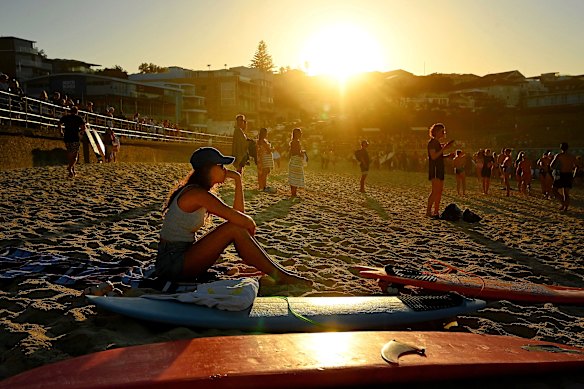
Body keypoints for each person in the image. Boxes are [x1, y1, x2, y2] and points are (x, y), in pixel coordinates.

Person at [155, 147, 311, 285]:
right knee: (234, 229)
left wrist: (237, 180)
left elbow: (238, 216)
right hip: (172, 262)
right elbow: (241, 220)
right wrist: (246, 225)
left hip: (179, 256)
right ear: (208, 169)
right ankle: (281, 275)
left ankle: (278, 273)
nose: (225, 170)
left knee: (235, 227)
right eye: (221, 166)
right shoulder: (197, 194)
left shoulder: (197, 191)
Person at [426, 123, 454, 217]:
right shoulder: (432, 142)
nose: (444, 133)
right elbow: (433, 157)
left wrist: (447, 156)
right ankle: (428, 211)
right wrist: (444, 149)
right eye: (442, 131)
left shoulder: (436, 143)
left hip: (439, 168)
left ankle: (436, 211)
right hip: (434, 169)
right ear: (437, 132)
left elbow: (438, 157)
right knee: (435, 190)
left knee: (439, 190)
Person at [58, 106, 86, 178]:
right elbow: (84, 128)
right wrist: (80, 132)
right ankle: (70, 167)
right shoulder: (78, 118)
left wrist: (61, 131)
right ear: (77, 111)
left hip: (67, 137)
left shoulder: (66, 117)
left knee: (70, 153)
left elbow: (59, 123)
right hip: (75, 138)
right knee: (75, 155)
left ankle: (72, 171)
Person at [550, 142, 577, 211]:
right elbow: (577, 166)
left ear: (560, 148)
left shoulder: (558, 155)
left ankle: (563, 202)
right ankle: (565, 207)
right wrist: (574, 175)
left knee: (554, 190)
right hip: (569, 174)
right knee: (566, 192)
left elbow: (551, 165)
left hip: (561, 174)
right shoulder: (572, 156)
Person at [288, 127, 306, 197]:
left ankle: (293, 193)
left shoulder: (292, 142)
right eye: (300, 133)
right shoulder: (297, 142)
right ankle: (294, 194)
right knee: (296, 177)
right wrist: (302, 153)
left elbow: (291, 153)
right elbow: (296, 152)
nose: (301, 134)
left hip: (293, 160)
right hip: (296, 161)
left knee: (293, 178)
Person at [256, 127, 275, 192]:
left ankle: (262, 185)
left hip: (263, 157)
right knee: (265, 172)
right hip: (265, 157)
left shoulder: (259, 141)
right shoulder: (263, 141)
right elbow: (268, 150)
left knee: (263, 172)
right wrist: (273, 149)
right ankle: (264, 186)